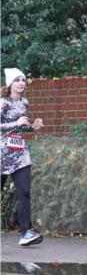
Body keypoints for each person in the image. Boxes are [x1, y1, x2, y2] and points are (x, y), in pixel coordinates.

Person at [1, 68, 44, 246]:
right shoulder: (3, 103)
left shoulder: (24, 103)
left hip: (19, 154)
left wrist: (33, 127)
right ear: (10, 84)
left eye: (23, 80)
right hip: (2, 154)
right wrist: (15, 123)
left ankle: (26, 233)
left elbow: (22, 127)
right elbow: (9, 125)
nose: (21, 83)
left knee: (24, 192)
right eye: (17, 80)